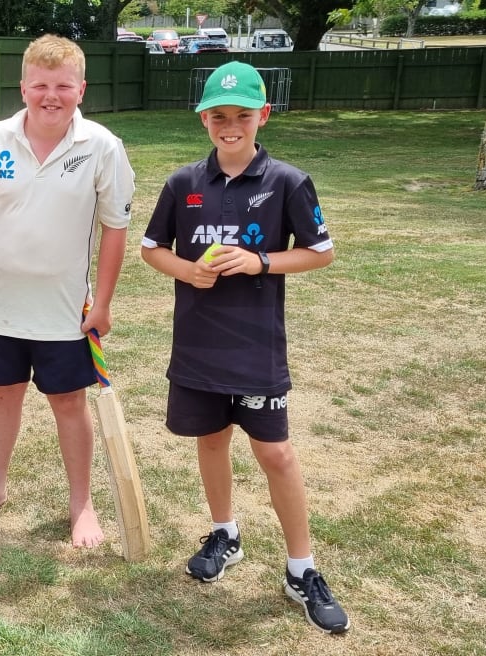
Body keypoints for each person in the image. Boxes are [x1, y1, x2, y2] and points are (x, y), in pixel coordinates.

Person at [140, 61, 350, 634]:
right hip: (197, 346)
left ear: (263, 116)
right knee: (211, 440)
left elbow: (320, 252)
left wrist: (261, 261)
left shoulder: (287, 181)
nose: (230, 126)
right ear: (203, 119)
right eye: (218, 116)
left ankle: (301, 569)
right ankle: (224, 533)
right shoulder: (182, 183)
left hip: (256, 348)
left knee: (275, 453)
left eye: (241, 116)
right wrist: (189, 270)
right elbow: (152, 248)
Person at [0, 34, 136, 549]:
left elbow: (115, 228)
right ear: (23, 87)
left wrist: (103, 302)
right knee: (2, 393)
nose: (51, 96)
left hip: (65, 309)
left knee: (68, 401)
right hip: (1, 304)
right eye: (41, 85)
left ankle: (81, 505)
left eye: (64, 86)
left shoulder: (102, 146)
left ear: (81, 90)